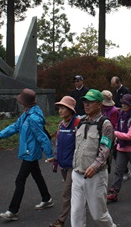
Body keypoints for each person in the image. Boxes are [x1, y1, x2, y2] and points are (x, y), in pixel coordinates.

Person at [0, 88, 54, 222]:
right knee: (37, 175)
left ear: (26, 103)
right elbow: (16, 126)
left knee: (20, 180)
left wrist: (50, 155)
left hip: (30, 153)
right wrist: (0, 135)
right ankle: (47, 199)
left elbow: (42, 137)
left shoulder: (33, 118)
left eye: (22, 101)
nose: (20, 103)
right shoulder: (26, 114)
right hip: (28, 151)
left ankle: (12, 211)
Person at [71, 89, 116, 227]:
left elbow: (105, 150)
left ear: (99, 104)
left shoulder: (105, 124)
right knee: (76, 214)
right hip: (77, 174)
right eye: (85, 101)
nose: (86, 105)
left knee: (98, 215)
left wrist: (95, 166)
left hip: (95, 176)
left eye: (90, 102)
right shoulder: (80, 121)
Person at [106, 94, 131, 202]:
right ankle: (114, 192)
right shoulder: (121, 115)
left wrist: (115, 133)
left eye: (126, 103)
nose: (123, 105)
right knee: (118, 170)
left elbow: (130, 136)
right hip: (122, 148)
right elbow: (117, 128)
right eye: (123, 103)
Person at [47, 96, 80, 227]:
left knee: (66, 193)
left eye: (63, 108)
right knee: (74, 192)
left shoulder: (78, 124)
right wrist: (55, 159)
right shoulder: (61, 125)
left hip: (73, 166)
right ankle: (80, 208)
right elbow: (59, 144)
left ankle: (61, 221)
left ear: (70, 110)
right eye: (59, 108)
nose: (60, 110)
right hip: (63, 165)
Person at [102, 89, 130, 181]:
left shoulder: (113, 111)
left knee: (116, 155)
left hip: (113, 135)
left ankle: (125, 171)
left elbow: (113, 125)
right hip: (103, 134)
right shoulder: (102, 109)